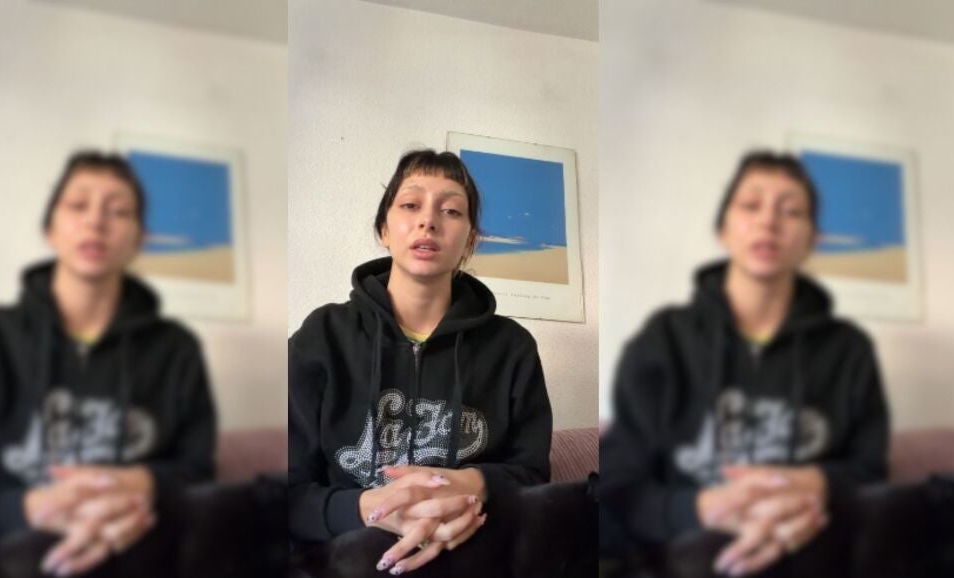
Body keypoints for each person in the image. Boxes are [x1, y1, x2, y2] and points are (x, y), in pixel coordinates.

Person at [0, 151, 217, 576]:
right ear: (50, 228)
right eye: (78, 205)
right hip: (9, 557)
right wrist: (28, 509)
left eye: (118, 210)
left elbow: (198, 473)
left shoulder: (177, 350)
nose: (95, 221)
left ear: (138, 238)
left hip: (140, 551)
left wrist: (145, 485)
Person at [600, 151, 889, 576]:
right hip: (683, 556)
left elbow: (871, 474)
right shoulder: (663, 339)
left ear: (811, 239)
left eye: (791, 210)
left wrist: (817, 486)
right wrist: (701, 508)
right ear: (724, 229)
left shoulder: (850, 351)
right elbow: (618, 485)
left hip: (813, 549)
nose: (768, 221)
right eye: (751, 205)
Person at [288, 149, 553, 574]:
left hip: (473, 551)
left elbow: (533, 477)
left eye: (451, 210)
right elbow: (284, 491)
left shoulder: (512, 348)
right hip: (350, 555)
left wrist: (468, 485)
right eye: (411, 205)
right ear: (384, 229)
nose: (428, 221)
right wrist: (370, 509)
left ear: (469, 240)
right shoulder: (322, 336)